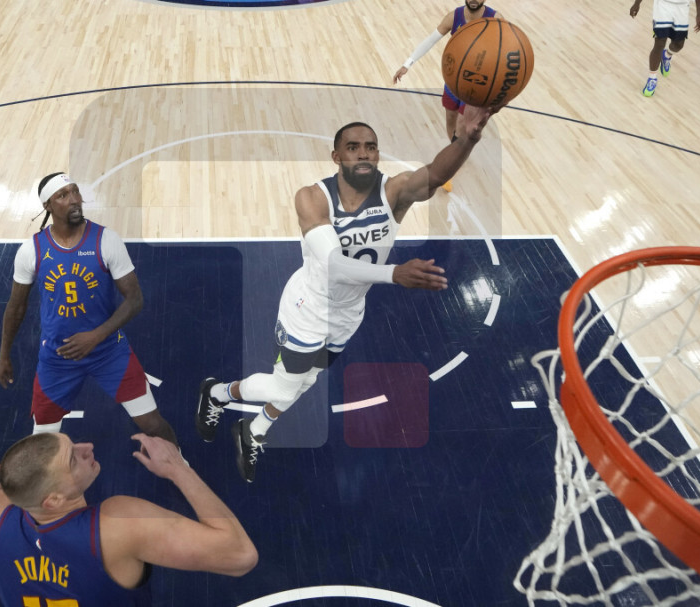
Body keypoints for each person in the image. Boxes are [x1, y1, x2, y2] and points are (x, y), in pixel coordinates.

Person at [196, 106, 496, 483]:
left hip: (349, 314)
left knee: (307, 380)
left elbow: (435, 174)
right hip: (307, 310)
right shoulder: (312, 198)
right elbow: (335, 265)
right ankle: (219, 396)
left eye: (370, 147)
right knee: (284, 387)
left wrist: (467, 139)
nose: (363, 153)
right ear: (336, 156)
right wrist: (395, 273)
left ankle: (250, 428)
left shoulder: (394, 193)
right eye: (353, 147)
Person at [0, 432, 258, 605]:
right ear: (53, 500)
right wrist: (177, 469)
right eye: (73, 459)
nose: (87, 448)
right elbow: (240, 555)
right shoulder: (116, 525)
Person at [0, 173, 178, 445]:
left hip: (108, 351)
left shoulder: (106, 240)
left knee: (153, 424)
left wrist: (96, 336)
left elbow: (135, 299)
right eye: (63, 195)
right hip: (57, 357)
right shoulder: (31, 251)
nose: (73, 200)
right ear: (48, 205)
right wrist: (4, 354)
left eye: (75, 191)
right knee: (42, 440)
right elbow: (16, 307)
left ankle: (180, 463)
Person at [392, 0, 502, 191]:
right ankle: (457, 151)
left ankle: (450, 165)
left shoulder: (496, 20)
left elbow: (507, 51)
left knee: (462, 124)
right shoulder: (454, 17)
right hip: (454, 79)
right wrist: (407, 64)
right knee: (451, 118)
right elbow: (430, 40)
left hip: (477, 83)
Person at [630, 0, 700, 97]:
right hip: (663, 5)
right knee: (659, 43)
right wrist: (637, 4)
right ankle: (652, 79)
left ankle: (666, 55)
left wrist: (699, 15)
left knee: (679, 44)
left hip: (682, 7)